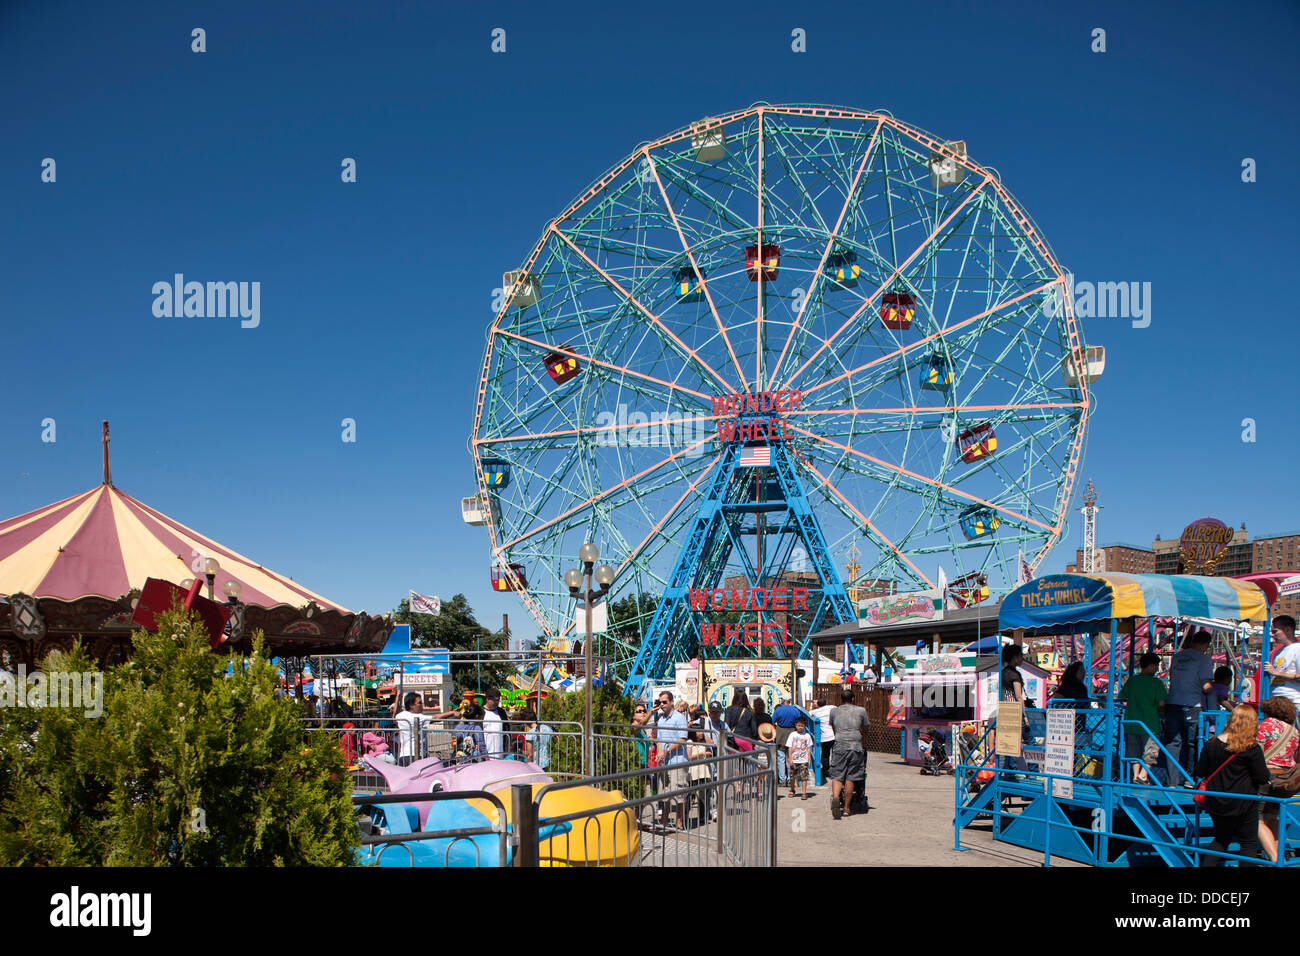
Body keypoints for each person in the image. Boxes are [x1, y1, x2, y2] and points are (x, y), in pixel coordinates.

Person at [1193, 704, 1270, 866]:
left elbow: (1200, 770)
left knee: (1221, 839)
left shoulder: (1212, 744)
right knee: (1248, 843)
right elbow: (1262, 777)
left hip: (1216, 800)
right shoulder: (1251, 748)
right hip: (1244, 801)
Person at [1164, 631, 1214, 783]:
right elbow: (1205, 684)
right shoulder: (1204, 659)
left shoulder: (1178, 656)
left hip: (1173, 702)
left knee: (1172, 742)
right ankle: (1191, 778)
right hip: (1192, 704)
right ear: (1206, 645)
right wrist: (1213, 690)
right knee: (1194, 742)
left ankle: (1171, 781)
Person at [1256, 695, 1298, 862]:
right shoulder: (1293, 731)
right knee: (1272, 816)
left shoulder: (1265, 726)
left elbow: (1255, 751)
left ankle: (1274, 859)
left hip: (1266, 776)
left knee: (1256, 818)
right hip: (1284, 779)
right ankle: (1280, 856)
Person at [1119, 653, 1167, 784]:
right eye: (1156, 666)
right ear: (1150, 666)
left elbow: (1122, 697)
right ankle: (1143, 775)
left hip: (1131, 722)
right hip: (1149, 723)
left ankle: (1135, 776)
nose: (1156, 669)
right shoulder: (1156, 683)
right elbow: (1162, 703)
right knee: (1151, 750)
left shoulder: (1132, 681)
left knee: (1133, 751)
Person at [827, 685, 869, 819]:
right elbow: (866, 729)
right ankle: (846, 808)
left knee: (837, 774)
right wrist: (864, 743)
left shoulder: (834, 711)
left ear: (841, 699)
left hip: (839, 743)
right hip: (855, 744)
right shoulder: (861, 710)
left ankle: (836, 797)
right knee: (851, 777)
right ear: (853, 698)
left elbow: (833, 727)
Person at [655, 690, 689, 828]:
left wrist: (667, 751)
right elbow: (659, 740)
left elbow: (682, 739)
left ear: (671, 702)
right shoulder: (661, 719)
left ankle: (680, 821)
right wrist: (659, 753)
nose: (662, 705)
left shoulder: (679, 718)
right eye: (660, 702)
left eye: (664, 702)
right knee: (665, 793)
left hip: (678, 760)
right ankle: (664, 819)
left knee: (679, 793)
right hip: (665, 761)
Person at [1264, 615, 1300, 711]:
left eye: (1275, 631)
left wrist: (1276, 673)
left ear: (1288, 630)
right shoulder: (1278, 651)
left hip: (1292, 702)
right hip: (1276, 701)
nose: (1272, 634)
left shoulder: (1298, 648)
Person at [772, 694, 801, 791]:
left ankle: (782, 779)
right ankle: (790, 779)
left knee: (780, 757)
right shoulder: (795, 710)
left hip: (780, 733)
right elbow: (799, 721)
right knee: (790, 757)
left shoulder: (778, 710)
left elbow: (772, 721)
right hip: (792, 732)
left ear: (783, 700)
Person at [810, 696, 836, 784]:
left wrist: (814, 706)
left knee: (825, 754)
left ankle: (825, 770)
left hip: (824, 737)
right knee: (834, 753)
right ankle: (834, 770)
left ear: (817, 704)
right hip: (834, 734)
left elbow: (808, 714)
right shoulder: (831, 707)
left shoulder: (815, 712)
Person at [787, 717, 814, 800]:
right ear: (795, 725)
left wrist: (809, 759)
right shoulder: (792, 735)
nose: (800, 727)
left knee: (804, 777)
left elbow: (809, 748)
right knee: (792, 776)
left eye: (802, 726)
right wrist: (790, 759)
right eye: (798, 725)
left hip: (804, 759)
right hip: (794, 759)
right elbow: (790, 748)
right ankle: (792, 789)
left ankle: (804, 793)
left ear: (805, 726)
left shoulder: (807, 736)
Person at [482, 690, 506, 757]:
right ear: (487, 699)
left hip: (500, 752)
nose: (496, 703)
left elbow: (507, 728)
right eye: (494, 700)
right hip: (485, 753)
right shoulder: (480, 712)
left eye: (498, 700)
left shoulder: (501, 712)